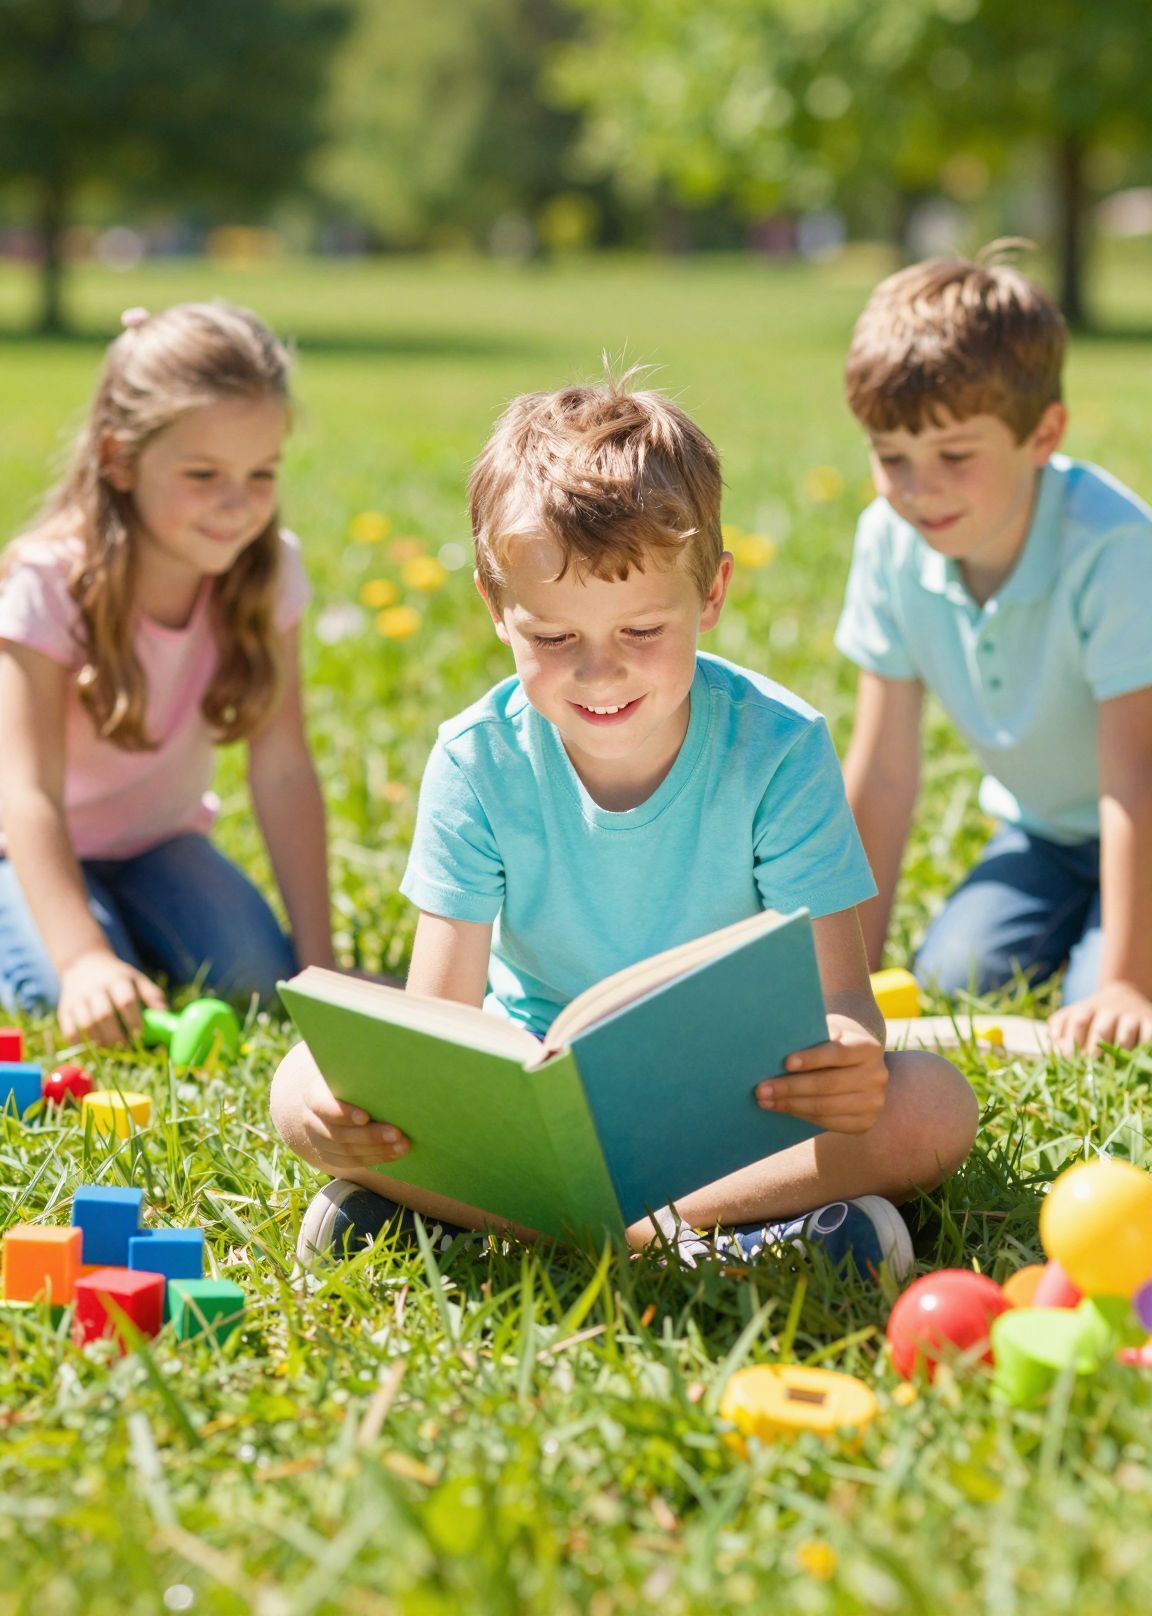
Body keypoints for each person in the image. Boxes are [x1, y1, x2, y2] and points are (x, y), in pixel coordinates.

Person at [273, 374, 976, 1273]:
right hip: (530, 1102)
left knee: (932, 1104)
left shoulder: (778, 748)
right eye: (555, 638)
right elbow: (437, 1018)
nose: (601, 675)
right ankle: (730, 1243)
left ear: (711, 596)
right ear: (496, 607)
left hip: (733, 1105)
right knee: (299, 1084)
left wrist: (848, 1057)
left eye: (642, 630)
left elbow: (843, 999)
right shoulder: (476, 760)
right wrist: (368, 1106)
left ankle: (584, 1229)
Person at [836, 255, 1152, 1052]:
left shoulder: (1113, 549)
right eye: (891, 455)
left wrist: (1128, 981)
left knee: (1100, 1013)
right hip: (1044, 834)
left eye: (954, 454)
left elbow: (1135, 779)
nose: (918, 489)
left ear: (1043, 435)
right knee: (953, 984)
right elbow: (882, 774)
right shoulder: (888, 543)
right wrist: (844, 986)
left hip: (1139, 812)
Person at [0, 301, 337, 1046]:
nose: (237, 504)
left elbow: (282, 767)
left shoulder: (268, 570)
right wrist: (84, 957)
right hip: (25, 846)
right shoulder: (47, 583)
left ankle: (119, 928)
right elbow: (26, 792)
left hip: (158, 842)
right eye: (203, 473)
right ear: (119, 459)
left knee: (255, 977)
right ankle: (86, 933)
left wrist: (322, 963)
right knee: (74, 992)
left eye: (261, 473)